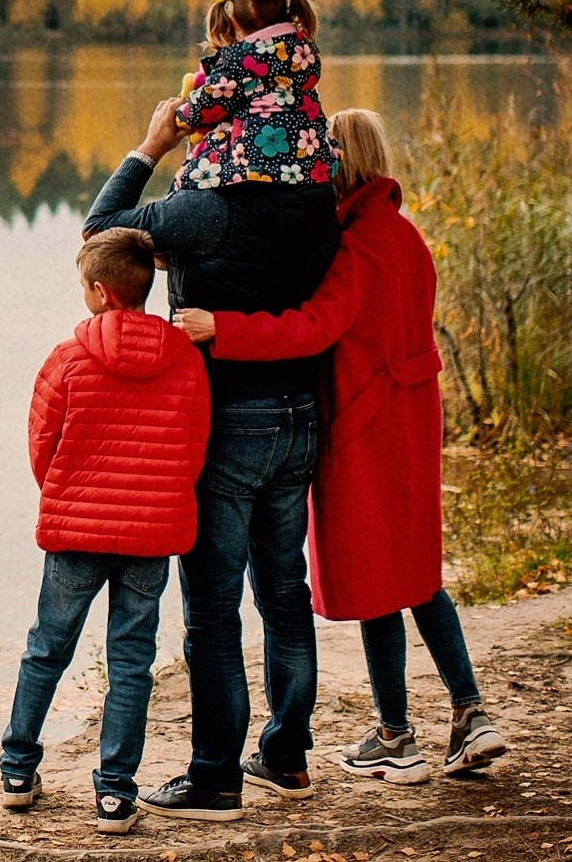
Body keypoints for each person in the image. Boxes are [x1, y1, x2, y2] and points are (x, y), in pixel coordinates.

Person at [176, 108, 508, 782]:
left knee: (376, 579)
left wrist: (223, 329)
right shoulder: (407, 236)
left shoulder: (355, 248)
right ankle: (471, 712)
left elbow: (312, 327)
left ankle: (395, 736)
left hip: (365, 425)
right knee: (417, 574)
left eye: (321, 159)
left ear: (340, 165)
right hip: (415, 421)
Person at [82, 0, 343, 822]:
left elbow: (100, 238)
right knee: (284, 593)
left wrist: (149, 147)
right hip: (301, 415)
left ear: (220, 105)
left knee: (213, 612)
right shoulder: (316, 186)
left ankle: (215, 778)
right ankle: (289, 757)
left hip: (229, 419)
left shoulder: (203, 203)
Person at [1, 226, 212, 834]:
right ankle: (116, 794)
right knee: (131, 663)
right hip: (149, 537)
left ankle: (18, 770)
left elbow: (42, 443)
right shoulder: (186, 361)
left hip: (76, 532)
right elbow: (193, 450)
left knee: (47, 649)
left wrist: (68, 495)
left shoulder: (68, 358)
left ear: (98, 292)